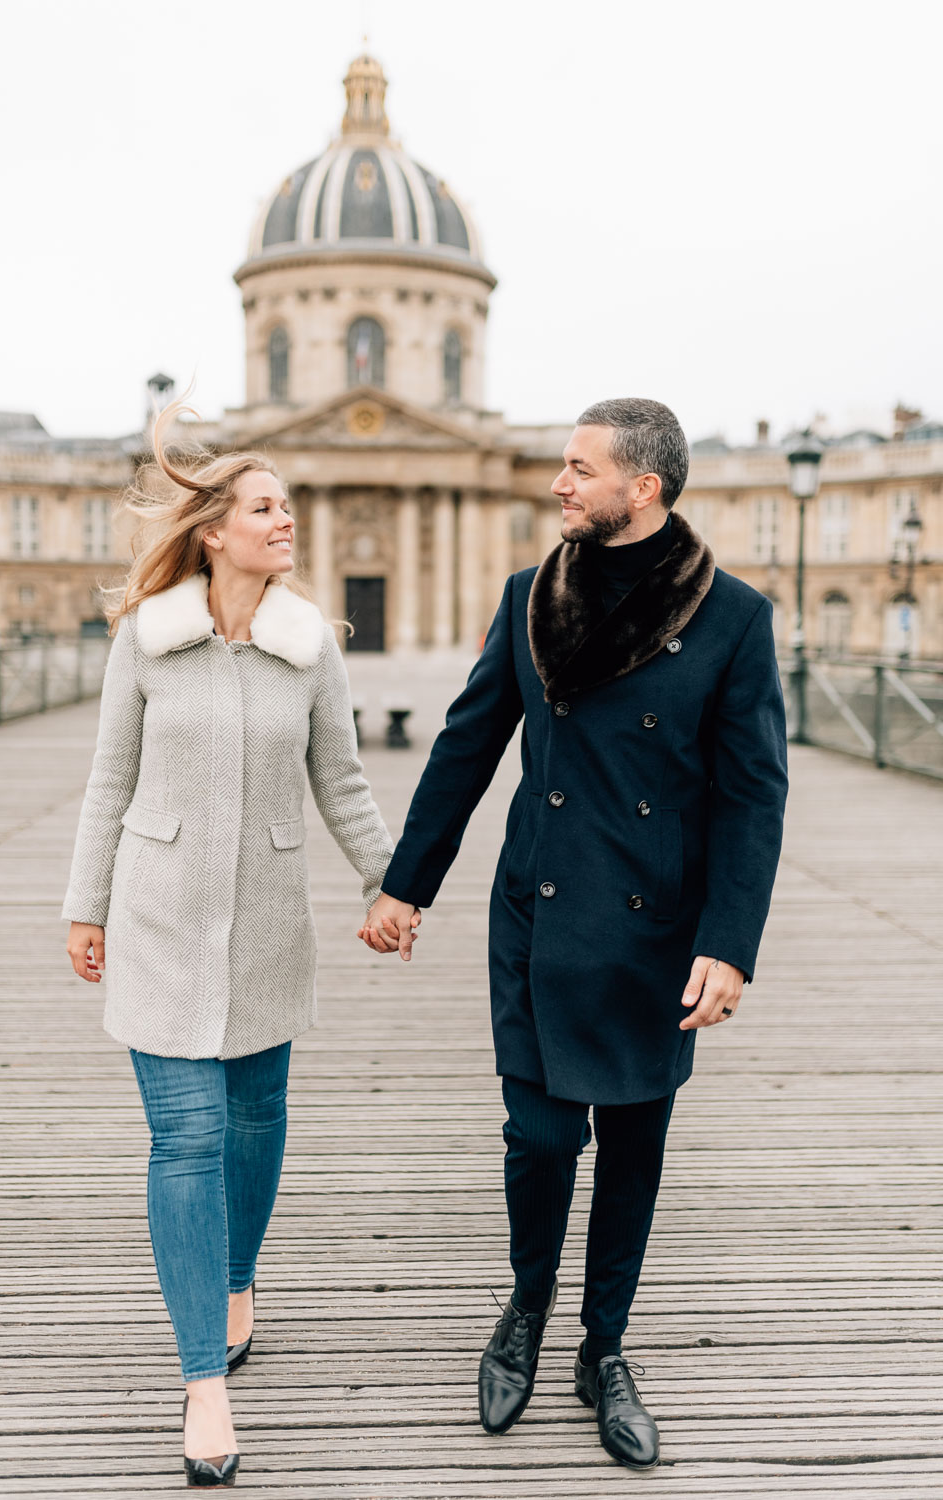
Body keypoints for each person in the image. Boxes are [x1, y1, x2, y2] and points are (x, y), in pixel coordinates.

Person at [361, 397, 788, 1470]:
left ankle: (604, 1348)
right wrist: (405, 885)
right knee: (543, 1140)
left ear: (639, 488)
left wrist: (730, 943)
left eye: (576, 468)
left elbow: (752, 796)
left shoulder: (731, 618)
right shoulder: (525, 598)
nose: (556, 482)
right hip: (540, 911)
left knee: (633, 1148)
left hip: (659, 928)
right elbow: (464, 747)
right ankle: (526, 1305)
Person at [63, 403, 393, 1488]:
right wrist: (86, 905)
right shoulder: (147, 638)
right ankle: (204, 1384)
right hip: (157, 915)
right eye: (265, 508)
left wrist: (388, 881)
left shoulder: (309, 646)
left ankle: (238, 1276)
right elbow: (109, 780)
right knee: (186, 1141)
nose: (286, 520)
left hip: (265, 920)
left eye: (288, 505)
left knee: (254, 1126)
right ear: (213, 529)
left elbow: (340, 778)